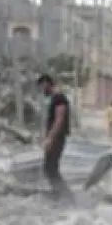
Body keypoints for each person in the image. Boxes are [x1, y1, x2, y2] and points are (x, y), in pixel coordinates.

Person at [38, 74, 73, 202]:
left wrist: (49, 139)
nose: (42, 91)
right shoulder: (56, 98)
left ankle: (65, 195)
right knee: (50, 168)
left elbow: (59, 120)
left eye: (42, 87)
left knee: (50, 168)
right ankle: (60, 193)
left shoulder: (59, 98)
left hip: (57, 138)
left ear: (47, 83)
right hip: (55, 138)